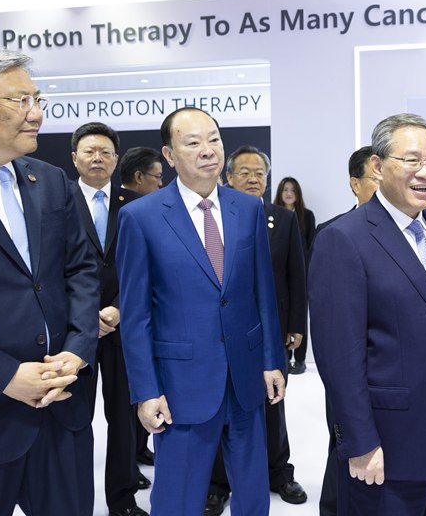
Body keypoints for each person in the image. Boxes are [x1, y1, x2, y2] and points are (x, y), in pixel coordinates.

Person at [309, 113, 426, 515]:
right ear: (377, 165)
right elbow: (339, 358)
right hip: (386, 448)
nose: (425, 172)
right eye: (411, 160)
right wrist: (360, 442)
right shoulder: (343, 239)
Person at [116, 107, 286, 516]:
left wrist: (271, 360)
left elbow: (262, 293)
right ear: (170, 155)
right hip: (181, 384)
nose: (208, 150)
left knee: (253, 495)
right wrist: (146, 391)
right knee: (178, 498)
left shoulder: (248, 208)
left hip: (245, 377)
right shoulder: (140, 217)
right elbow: (135, 316)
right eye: (193, 142)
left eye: (213, 139)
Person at [0, 44, 99, 514]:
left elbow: (81, 269)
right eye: (20, 101)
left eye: (37, 99)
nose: (36, 113)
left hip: (62, 409)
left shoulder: (50, 180)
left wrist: (77, 349)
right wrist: (4, 376)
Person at [201, 146, 308, 514]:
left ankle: (279, 472)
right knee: (222, 405)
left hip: (271, 330)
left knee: (273, 403)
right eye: (244, 172)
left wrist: (296, 325)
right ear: (228, 177)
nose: (253, 178)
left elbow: (296, 275)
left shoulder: (282, 218)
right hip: (226, 332)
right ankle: (218, 483)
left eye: (259, 172)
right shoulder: (213, 216)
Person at [70, 121, 149, 516]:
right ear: (75, 158)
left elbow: (144, 266)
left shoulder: (135, 204)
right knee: (74, 420)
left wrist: (119, 307)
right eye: (89, 151)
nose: (97, 158)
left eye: (105, 152)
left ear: (116, 160)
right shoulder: (55, 200)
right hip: (74, 331)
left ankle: (122, 499)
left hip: (124, 326)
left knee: (124, 420)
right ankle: (74, 501)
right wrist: (87, 313)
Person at [314, 145, 381, 516]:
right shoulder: (333, 233)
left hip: (395, 375)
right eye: (376, 178)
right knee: (344, 447)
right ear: (355, 184)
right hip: (350, 368)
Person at [116, 145, 163, 469]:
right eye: (156, 177)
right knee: (126, 399)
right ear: (139, 176)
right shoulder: (134, 212)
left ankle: (138, 450)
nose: (161, 184)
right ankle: (129, 461)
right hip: (119, 315)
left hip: (130, 311)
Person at [274, 175, 316, 375]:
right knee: (283, 314)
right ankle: (285, 355)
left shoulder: (306, 215)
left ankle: (299, 359)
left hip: (302, 273)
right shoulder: (273, 214)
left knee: (299, 315)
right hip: (279, 275)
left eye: (292, 190)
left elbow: (311, 244)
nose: (289, 193)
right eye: (285, 190)